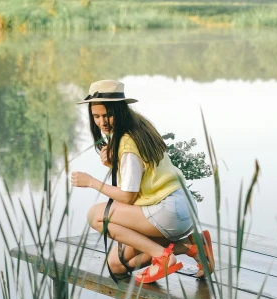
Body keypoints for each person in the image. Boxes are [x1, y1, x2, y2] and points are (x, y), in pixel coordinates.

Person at [70, 79, 214, 284]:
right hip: (183, 208)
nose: (102, 122)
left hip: (167, 211)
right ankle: (191, 245)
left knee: (95, 215)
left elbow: (128, 197)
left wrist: (92, 182)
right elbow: (142, 176)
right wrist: (115, 164)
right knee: (116, 264)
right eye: (96, 116)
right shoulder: (140, 125)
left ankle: (162, 255)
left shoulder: (127, 142)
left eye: (108, 115)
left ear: (119, 111)